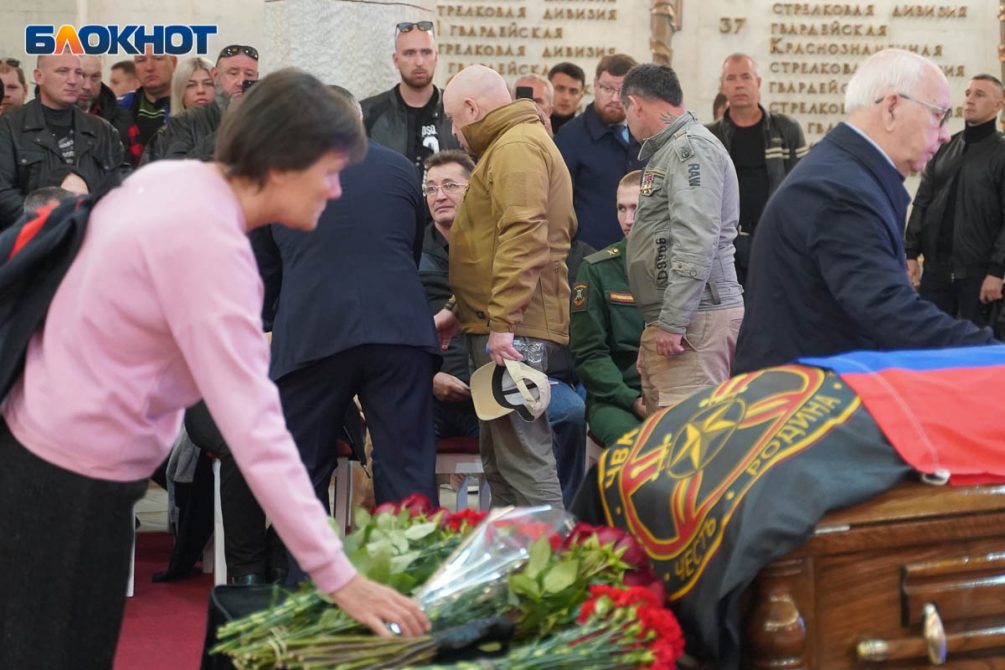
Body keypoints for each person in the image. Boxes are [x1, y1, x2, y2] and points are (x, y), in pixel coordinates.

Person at [0, 69, 429, 670]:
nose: (336, 191)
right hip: (66, 475)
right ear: (282, 162)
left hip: (51, 454)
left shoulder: (174, 182)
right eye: (330, 171)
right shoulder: (211, 246)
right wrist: (340, 577)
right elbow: (256, 431)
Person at [733, 49, 997, 374]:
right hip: (799, 403)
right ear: (891, 108)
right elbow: (890, 314)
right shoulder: (841, 190)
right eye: (939, 115)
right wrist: (993, 356)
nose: (944, 134)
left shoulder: (847, 172)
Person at [252, 85, 440, 533]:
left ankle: (306, 587)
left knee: (302, 470)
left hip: (313, 334)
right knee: (408, 466)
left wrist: (268, 323)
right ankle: (412, 584)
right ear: (359, 122)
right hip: (399, 331)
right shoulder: (398, 169)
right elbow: (410, 249)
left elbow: (264, 269)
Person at [435, 65, 576, 509]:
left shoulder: (516, 147)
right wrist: (460, 310)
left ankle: (553, 567)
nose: (455, 132)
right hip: (507, 323)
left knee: (523, 458)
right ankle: (519, 568)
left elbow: (523, 235)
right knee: (501, 460)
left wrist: (503, 322)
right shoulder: (511, 144)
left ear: (473, 108)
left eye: (455, 119)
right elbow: (491, 245)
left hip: (516, 330)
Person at [421, 149, 588, 506]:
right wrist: (430, 378)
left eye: (450, 185)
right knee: (399, 431)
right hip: (436, 388)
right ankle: (426, 539)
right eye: (431, 188)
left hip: (504, 374)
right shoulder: (412, 251)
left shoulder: (506, 245)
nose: (440, 195)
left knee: (568, 412)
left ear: (476, 190)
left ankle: (568, 521)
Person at [622, 63, 745, 414]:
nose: (628, 123)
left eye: (627, 113)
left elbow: (696, 238)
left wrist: (673, 321)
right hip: (686, 318)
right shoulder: (673, 148)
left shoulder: (688, 149)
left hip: (695, 320)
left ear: (637, 104)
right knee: (672, 442)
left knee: (689, 445)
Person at [905, 74, 1005, 328]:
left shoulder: (1001, 153)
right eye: (968, 93)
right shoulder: (946, 146)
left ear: (999, 105)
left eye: (980, 95)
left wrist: (997, 272)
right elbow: (923, 200)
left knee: (976, 355)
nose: (969, 100)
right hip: (936, 272)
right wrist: (910, 253)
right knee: (930, 346)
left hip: (977, 275)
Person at [707, 54, 808, 289]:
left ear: (758, 83)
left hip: (773, 240)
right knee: (730, 321)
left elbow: (803, 191)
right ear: (723, 87)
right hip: (725, 244)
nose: (739, 84)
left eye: (746, 77)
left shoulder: (786, 130)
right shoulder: (709, 137)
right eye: (731, 78)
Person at [0, 53, 129, 229]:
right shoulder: (9, 127)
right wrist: (49, 224)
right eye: (62, 71)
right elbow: (3, 193)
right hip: (32, 243)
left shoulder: (103, 131)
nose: (73, 80)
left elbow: (122, 186)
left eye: (78, 73)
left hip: (90, 239)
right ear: (39, 76)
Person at [570, 170, 645, 447]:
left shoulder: (684, 267)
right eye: (621, 208)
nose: (628, 220)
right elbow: (589, 354)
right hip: (617, 398)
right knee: (635, 450)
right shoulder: (598, 269)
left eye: (638, 208)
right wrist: (631, 400)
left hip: (675, 391)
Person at [555, 54, 645, 250]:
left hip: (643, 254)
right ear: (595, 85)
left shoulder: (648, 133)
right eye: (607, 88)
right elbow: (558, 207)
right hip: (589, 259)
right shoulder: (570, 137)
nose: (614, 98)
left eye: (622, 91)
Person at [361, 21, 459, 175]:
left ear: (436, 57)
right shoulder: (369, 114)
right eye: (409, 53)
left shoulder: (457, 109)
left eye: (426, 52)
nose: (419, 62)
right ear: (395, 60)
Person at [143, 45, 258, 163]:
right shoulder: (182, 122)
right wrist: (230, 130)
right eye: (233, 73)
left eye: (249, 75)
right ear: (215, 76)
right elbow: (177, 172)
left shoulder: (264, 120)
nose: (240, 82)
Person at [76, 55, 140, 164]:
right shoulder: (40, 117)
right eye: (81, 75)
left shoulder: (124, 120)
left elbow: (137, 171)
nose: (88, 86)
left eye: (95, 77)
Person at [117, 47, 176, 151]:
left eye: (158, 58)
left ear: (173, 63)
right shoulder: (118, 109)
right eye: (141, 60)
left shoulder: (189, 108)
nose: (149, 67)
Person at [548, 62, 585, 134]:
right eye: (560, 89)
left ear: (581, 97)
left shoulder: (588, 135)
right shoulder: (530, 128)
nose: (566, 97)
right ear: (547, 91)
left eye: (573, 91)